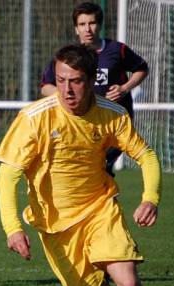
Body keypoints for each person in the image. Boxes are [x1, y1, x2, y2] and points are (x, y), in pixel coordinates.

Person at [0, 44, 161, 286]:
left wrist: (150, 197)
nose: (67, 90)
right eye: (61, 80)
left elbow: (147, 156)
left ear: (90, 80)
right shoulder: (34, 119)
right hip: (56, 227)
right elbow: (8, 175)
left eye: (76, 81)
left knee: (130, 285)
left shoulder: (111, 115)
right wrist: (12, 227)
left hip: (100, 210)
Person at [40, 2, 149, 175]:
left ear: (99, 25)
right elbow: (46, 87)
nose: (87, 29)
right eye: (82, 24)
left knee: (99, 170)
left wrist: (124, 88)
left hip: (112, 123)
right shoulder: (68, 58)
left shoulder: (116, 50)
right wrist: (67, 96)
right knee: (90, 172)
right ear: (76, 29)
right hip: (81, 124)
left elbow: (142, 68)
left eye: (92, 23)